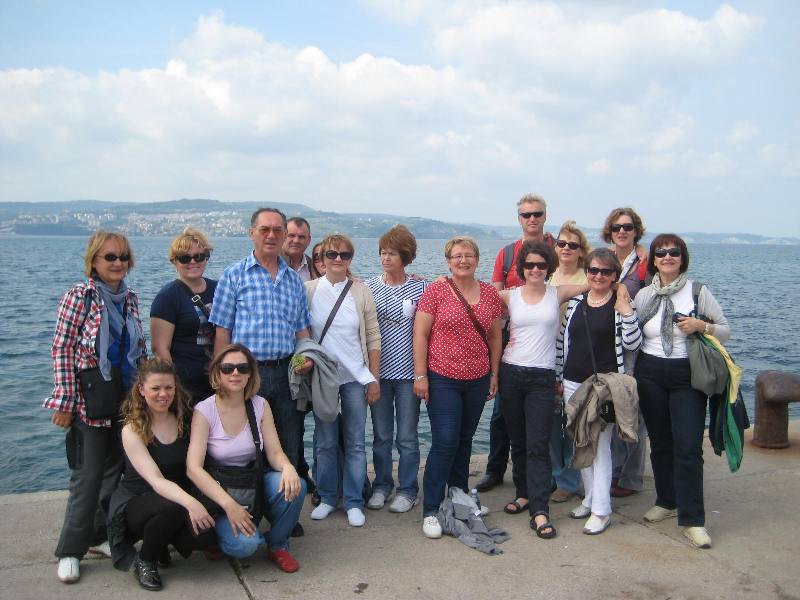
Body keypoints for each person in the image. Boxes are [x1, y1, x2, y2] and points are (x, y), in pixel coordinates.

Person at [44, 231, 147, 584]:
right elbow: (62, 349)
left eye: (122, 257)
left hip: (124, 398)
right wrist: (65, 400)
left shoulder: (129, 298)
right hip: (90, 401)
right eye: (109, 257)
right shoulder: (80, 296)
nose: (117, 263)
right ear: (94, 261)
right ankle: (69, 550)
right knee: (86, 477)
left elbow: (137, 349)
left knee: (113, 474)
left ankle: (98, 536)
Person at [633, 234, 730, 549]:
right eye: (661, 252)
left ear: (682, 258)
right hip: (650, 372)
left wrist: (702, 327)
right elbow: (632, 333)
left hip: (687, 373)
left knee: (688, 446)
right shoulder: (645, 295)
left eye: (674, 252)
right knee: (660, 442)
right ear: (653, 259)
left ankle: (693, 519)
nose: (667, 257)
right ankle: (667, 500)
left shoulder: (698, 291)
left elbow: (725, 330)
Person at [209, 207, 313, 477]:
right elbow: (222, 333)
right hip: (246, 373)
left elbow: (301, 333)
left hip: (287, 373)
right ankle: (253, 500)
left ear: (284, 235)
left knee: (289, 442)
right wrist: (221, 377)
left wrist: (303, 361)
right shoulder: (234, 276)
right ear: (252, 233)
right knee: (249, 447)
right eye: (264, 229)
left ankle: (287, 502)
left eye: (278, 230)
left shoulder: (294, 281)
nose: (271, 235)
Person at [414, 236, 503, 539]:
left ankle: (459, 496)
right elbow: (420, 334)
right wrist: (420, 376)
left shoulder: (489, 293)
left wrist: (494, 373)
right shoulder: (436, 291)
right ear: (448, 261)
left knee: (465, 440)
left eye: (468, 255)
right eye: (457, 256)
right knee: (445, 441)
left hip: (477, 378)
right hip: (442, 378)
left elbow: (494, 336)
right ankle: (431, 509)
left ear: (477, 259)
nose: (463, 260)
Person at [497, 241, 588, 539]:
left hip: (542, 378)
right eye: (529, 265)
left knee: (538, 444)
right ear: (521, 268)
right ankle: (523, 493)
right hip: (511, 372)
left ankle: (539, 510)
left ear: (549, 268)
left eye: (541, 265)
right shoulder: (509, 296)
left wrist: (623, 283)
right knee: (518, 441)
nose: (535, 270)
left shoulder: (557, 293)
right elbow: (473, 296)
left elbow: (596, 281)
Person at [187, 344, 306, 570]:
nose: (235, 373)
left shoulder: (260, 405)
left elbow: (274, 452)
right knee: (246, 546)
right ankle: (222, 536)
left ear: (250, 373)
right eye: (227, 368)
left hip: (252, 482)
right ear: (217, 373)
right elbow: (193, 468)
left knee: (296, 485)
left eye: (242, 368)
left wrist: (288, 467)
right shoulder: (205, 410)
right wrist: (229, 505)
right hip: (220, 491)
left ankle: (278, 544)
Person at [108, 358, 215, 591]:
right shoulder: (132, 429)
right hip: (139, 501)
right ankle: (145, 560)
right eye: (155, 388)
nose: (163, 394)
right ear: (141, 390)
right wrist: (192, 503)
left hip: (176, 500)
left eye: (168, 387)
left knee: (205, 537)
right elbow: (156, 481)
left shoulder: (185, 420)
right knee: (171, 507)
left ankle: (161, 541)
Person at [476, 193, 555, 494]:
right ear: (519, 219)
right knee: (501, 413)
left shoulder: (559, 247)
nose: (532, 219)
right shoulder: (507, 254)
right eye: (526, 214)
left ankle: (548, 473)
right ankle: (495, 469)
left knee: (547, 414)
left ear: (545, 216)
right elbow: (493, 296)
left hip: (550, 335)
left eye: (537, 214)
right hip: (513, 335)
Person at [557, 249, 641, 535]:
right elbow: (563, 342)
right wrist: (557, 376)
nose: (599, 276)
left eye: (606, 271)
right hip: (573, 383)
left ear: (614, 275)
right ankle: (590, 499)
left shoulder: (620, 304)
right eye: (593, 270)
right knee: (580, 441)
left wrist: (626, 311)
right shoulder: (576, 303)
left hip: (604, 388)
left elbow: (633, 343)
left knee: (601, 446)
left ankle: (602, 510)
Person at [305, 234, 381, 527]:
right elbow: (301, 333)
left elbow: (373, 336)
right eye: (332, 254)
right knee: (325, 442)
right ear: (321, 259)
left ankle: (353, 500)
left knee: (355, 443)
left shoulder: (361, 291)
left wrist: (373, 379)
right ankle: (327, 497)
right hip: (323, 378)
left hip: (355, 377)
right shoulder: (309, 290)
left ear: (350, 259)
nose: (338, 259)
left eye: (345, 255)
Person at [365, 225, 427, 513]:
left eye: (392, 253)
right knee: (381, 436)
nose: (386, 258)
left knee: (407, 437)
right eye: (383, 253)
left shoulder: (421, 287)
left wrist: (422, 375)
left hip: (408, 375)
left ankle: (408, 489)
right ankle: (381, 485)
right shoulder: (368, 287)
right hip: (378, 373)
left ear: (406, 256)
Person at [602, 207, 649, 498]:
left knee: (632, 415)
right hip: (607, 344)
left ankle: (631, 478)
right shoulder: (603, 258)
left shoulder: (644, 263)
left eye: (628, 227)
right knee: (612, 413)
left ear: (636, 231)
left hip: (632, 345)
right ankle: (615, 470)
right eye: (617, 227)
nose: (622, 231)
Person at [548, 220, 591, 504]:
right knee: (552, 424)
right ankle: (557, 474)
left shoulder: (588, 280)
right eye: (561, 243)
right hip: (546, 357)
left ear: (581, 251)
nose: (566, 248)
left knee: (573, 424)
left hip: (575, 359)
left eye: (572, 245)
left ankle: (571, 480)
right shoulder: (546, 276)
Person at [151, 227, 217, 406]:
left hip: (217, 382)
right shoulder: (168, 297)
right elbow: (160, 348)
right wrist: (173, 387)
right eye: (185, 258)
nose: (193, 262)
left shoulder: (219, 289)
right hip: (186, 387)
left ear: (206, 257)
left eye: (199, 256)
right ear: (174, 261)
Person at [283, 217, 318, 282]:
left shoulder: (315, 268)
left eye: (301, 237)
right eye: (291, 235)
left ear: (309, 240)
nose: (296, 241)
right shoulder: (270, 262)